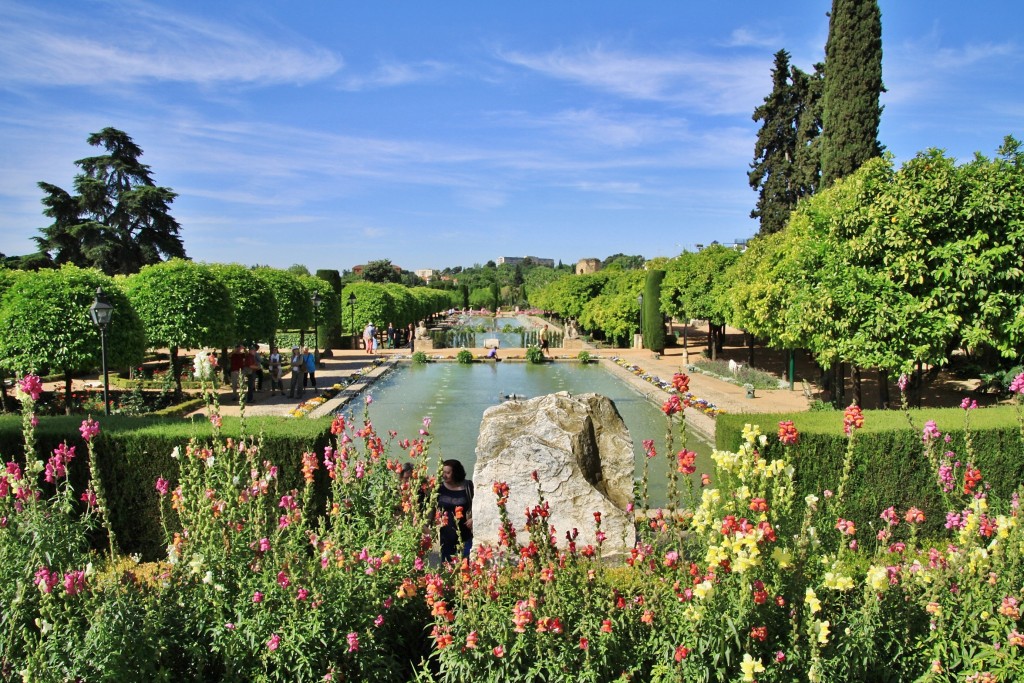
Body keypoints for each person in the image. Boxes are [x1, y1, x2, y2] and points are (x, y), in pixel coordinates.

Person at [437, 459, 474, 562]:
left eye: (448, 473)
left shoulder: (468, 486)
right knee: (447, 565)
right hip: (446, 534)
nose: (444, 475)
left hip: (465, 532)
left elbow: (479, 506)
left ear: (456, 473)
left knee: (466, 563)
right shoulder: (439, 487)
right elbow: (432, 507)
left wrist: (473, 519)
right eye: (443, 472)